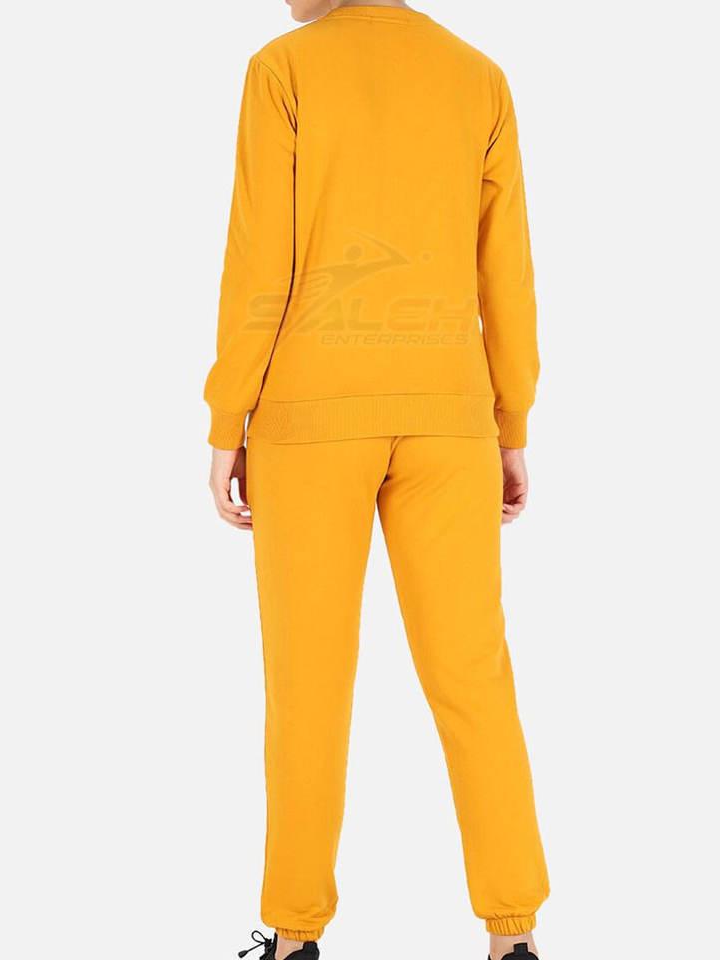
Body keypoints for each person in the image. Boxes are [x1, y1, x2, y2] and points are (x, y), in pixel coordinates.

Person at [205, 2, 548, 958]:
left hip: (309, 418)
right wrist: (510, 421)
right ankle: (514, 937)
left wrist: (228, 418)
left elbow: (258, 260)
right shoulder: (478, 76)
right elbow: (507, 269)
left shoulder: (283, 70)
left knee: (307, 683)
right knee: (473, 675)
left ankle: (294, 938)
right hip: (452, 416)